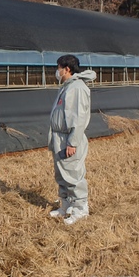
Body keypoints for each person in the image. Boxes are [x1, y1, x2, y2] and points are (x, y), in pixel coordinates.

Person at [48, 55, 96, 225]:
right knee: (62, 174)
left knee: (73, 174)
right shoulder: (67, 86)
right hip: (59, 137)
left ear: (67, 69)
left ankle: (80, 208)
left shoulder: (76, 88)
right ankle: (66, 204)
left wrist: (72, 142)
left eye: (59, 67)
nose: (57, 71)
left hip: (68, 138)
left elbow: (78, 117)